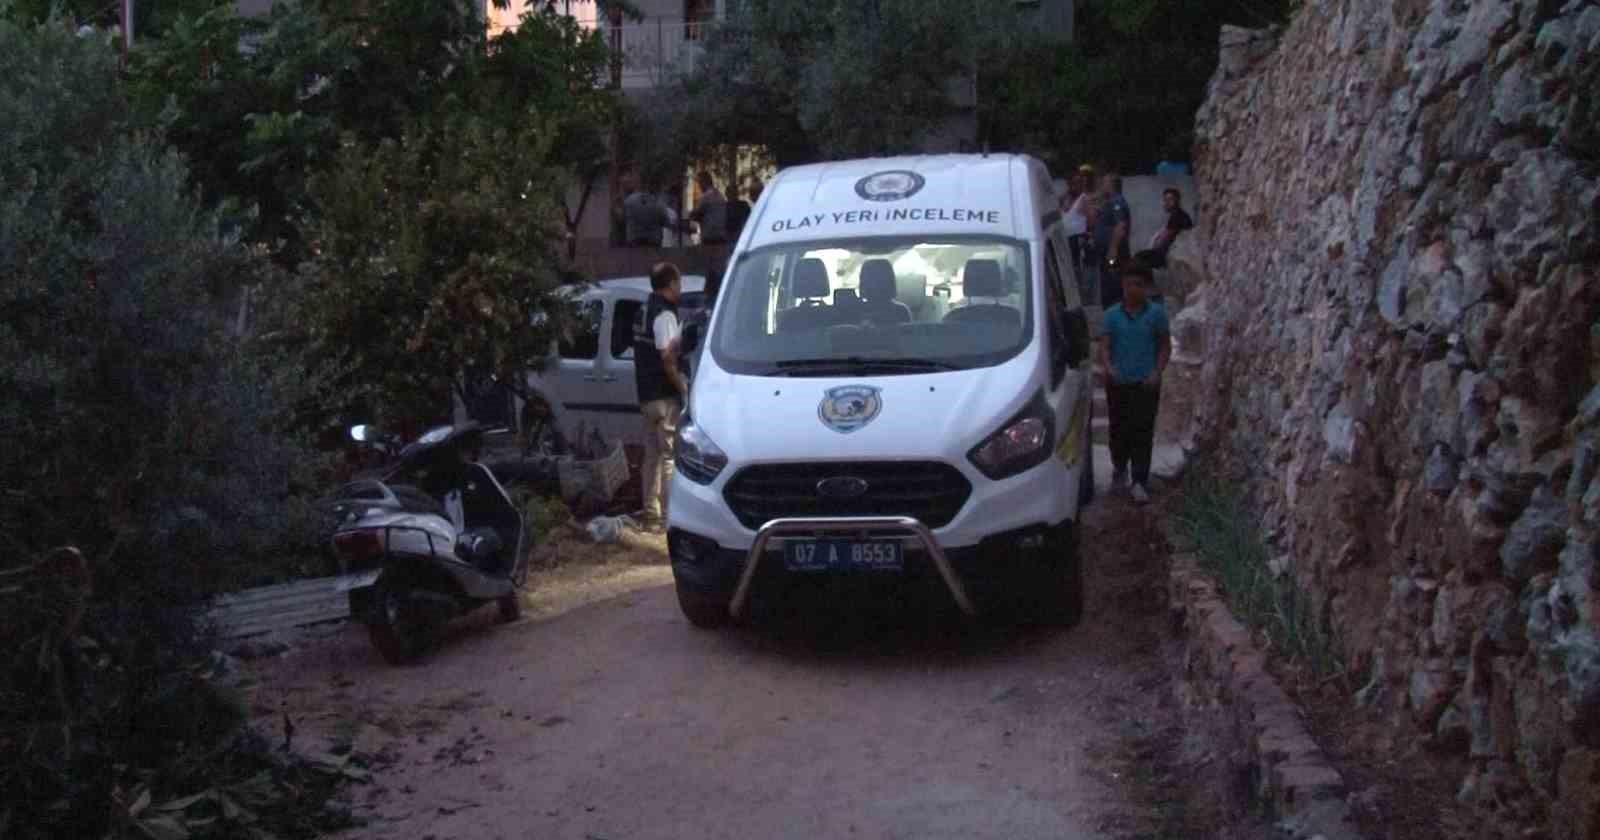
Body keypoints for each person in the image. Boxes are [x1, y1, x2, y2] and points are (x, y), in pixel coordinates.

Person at [1097, 258, 1170, 505]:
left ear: (1146, 287)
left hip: (1145, 383)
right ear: (1123, 286)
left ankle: (1139, 480)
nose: (1133, 290)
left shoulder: (1156, 315)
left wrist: (1157, 372)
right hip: (1118, 383)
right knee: (1118, 430)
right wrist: (1109, 367)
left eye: (1138, 285)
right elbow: (1105, 347)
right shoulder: (1111, 316)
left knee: (1143, 431)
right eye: (1128, 285)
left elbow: (1164, 346)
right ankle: (1119, 470)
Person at [634, 262, 690, 531]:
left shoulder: (644, 309)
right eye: (679, 284)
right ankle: (669, 518)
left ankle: (650, 516)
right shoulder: (665, 315)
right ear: (670, 284)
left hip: (645, 394)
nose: (681, 289)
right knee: (669, 457)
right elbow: (667, 357)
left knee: (651, 455)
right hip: (664, 395)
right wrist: (681, 386)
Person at [1092, 171, 1133, 309]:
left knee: (1113, 280)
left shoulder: (1117, 202)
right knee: (1109, 279)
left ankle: (1116, 310)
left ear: (1111, 185)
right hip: (1108, 253)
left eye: (1104, 183)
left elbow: (1120, 226)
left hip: (1113, 254)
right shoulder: (1109, 203)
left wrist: (1113, 249)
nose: (1102, 186)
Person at [678, 264, 722, 383]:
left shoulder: (696, 317)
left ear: (706, 290)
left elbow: (683, 348)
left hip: (698, 373)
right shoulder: (727, 316)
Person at [1147, 187, 1195, 268]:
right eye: (1165, 200)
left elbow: (1164, 240)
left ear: (1177, 200)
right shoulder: (1177, 215)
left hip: (1182, 259)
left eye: (1170, 199)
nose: (1166, 203)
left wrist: (1153, 250)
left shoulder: (1177, 217)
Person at [624, 175, 674, 248]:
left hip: (634, 242)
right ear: (655, 187)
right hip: (653, 243)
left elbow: (623, 217)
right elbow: (666, 222)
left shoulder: (629, 200)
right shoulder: (658, 204)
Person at [688, 171, 729, 245]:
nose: (699, 186)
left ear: (704, 182)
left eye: (699, 183)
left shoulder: (706, 197)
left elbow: (695, 214)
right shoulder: (720, 195)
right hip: (721, 237)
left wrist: (690, 215)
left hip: (710, 238)